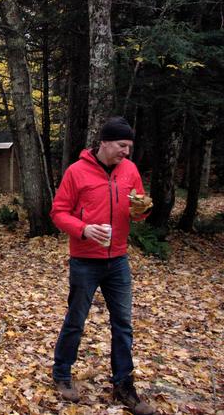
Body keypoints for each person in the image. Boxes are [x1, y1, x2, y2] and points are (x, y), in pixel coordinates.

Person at [50, 117, 155, 415]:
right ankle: (62, 373)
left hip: (118, 260)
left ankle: (124, 385)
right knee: (76, 320)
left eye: (129, 147)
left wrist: (142, 210)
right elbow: (58, 212)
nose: (126, 152)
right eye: (122, 145)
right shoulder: (76, 172)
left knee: (123, 324)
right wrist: (83, 229)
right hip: (85, 260)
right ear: (105, 142)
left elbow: (136, 210)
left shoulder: (130, 171)